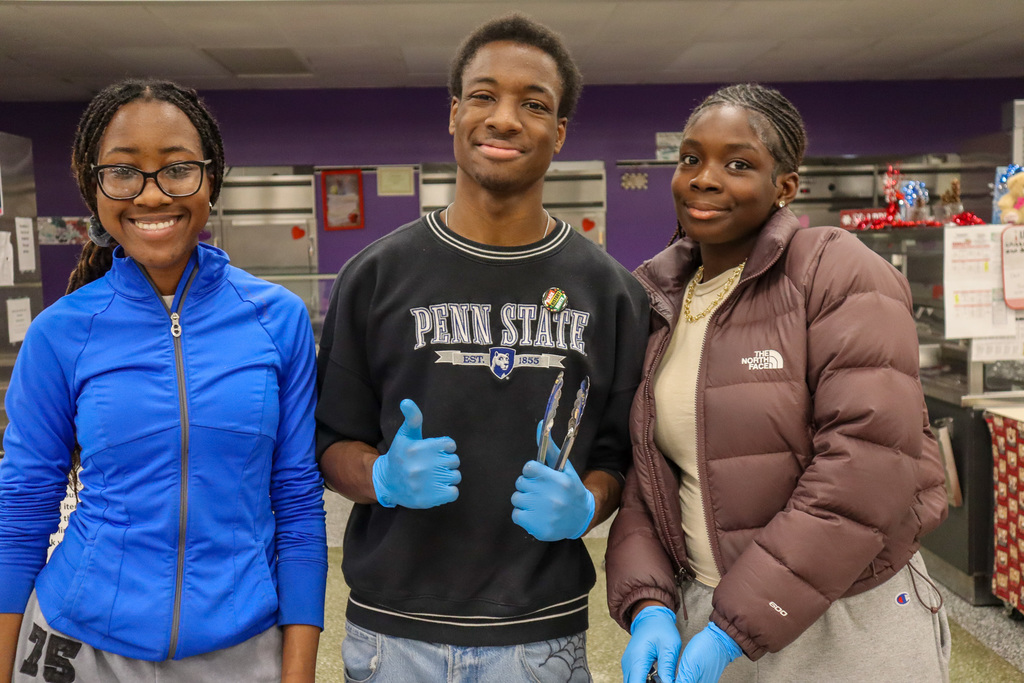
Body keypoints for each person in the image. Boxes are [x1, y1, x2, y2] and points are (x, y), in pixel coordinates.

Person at [315, 13, 648, 682]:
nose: (504, 118)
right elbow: (329, 445)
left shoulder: (610, 292)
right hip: (393, 630)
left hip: (540, 633)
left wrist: (587, 502)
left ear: (557, 134)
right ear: (454, 114)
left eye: (534, 104)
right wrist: (381, 477)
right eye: (484, 96)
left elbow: (618, 457)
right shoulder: (376, 276)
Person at [606, 83, 951, 683]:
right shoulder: (660, 300)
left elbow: (865, 468)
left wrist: (735, 625)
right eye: (691, 159)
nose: (705, 179)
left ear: (785, 186)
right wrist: (648, 601)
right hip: (707, 614)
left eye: (738, 164)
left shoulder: (836, 272)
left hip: (846, 621)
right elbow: (652, 476)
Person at [0, 79, 327, 683]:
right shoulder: (60, 333)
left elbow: (298, 502)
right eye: (123, 171)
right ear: (93, 187)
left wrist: (299, 670)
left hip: (239, 647)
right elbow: (23, 508)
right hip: (80, 646)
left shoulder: (276, 319)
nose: (151, 195)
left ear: (212, 179)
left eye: (177, 168)